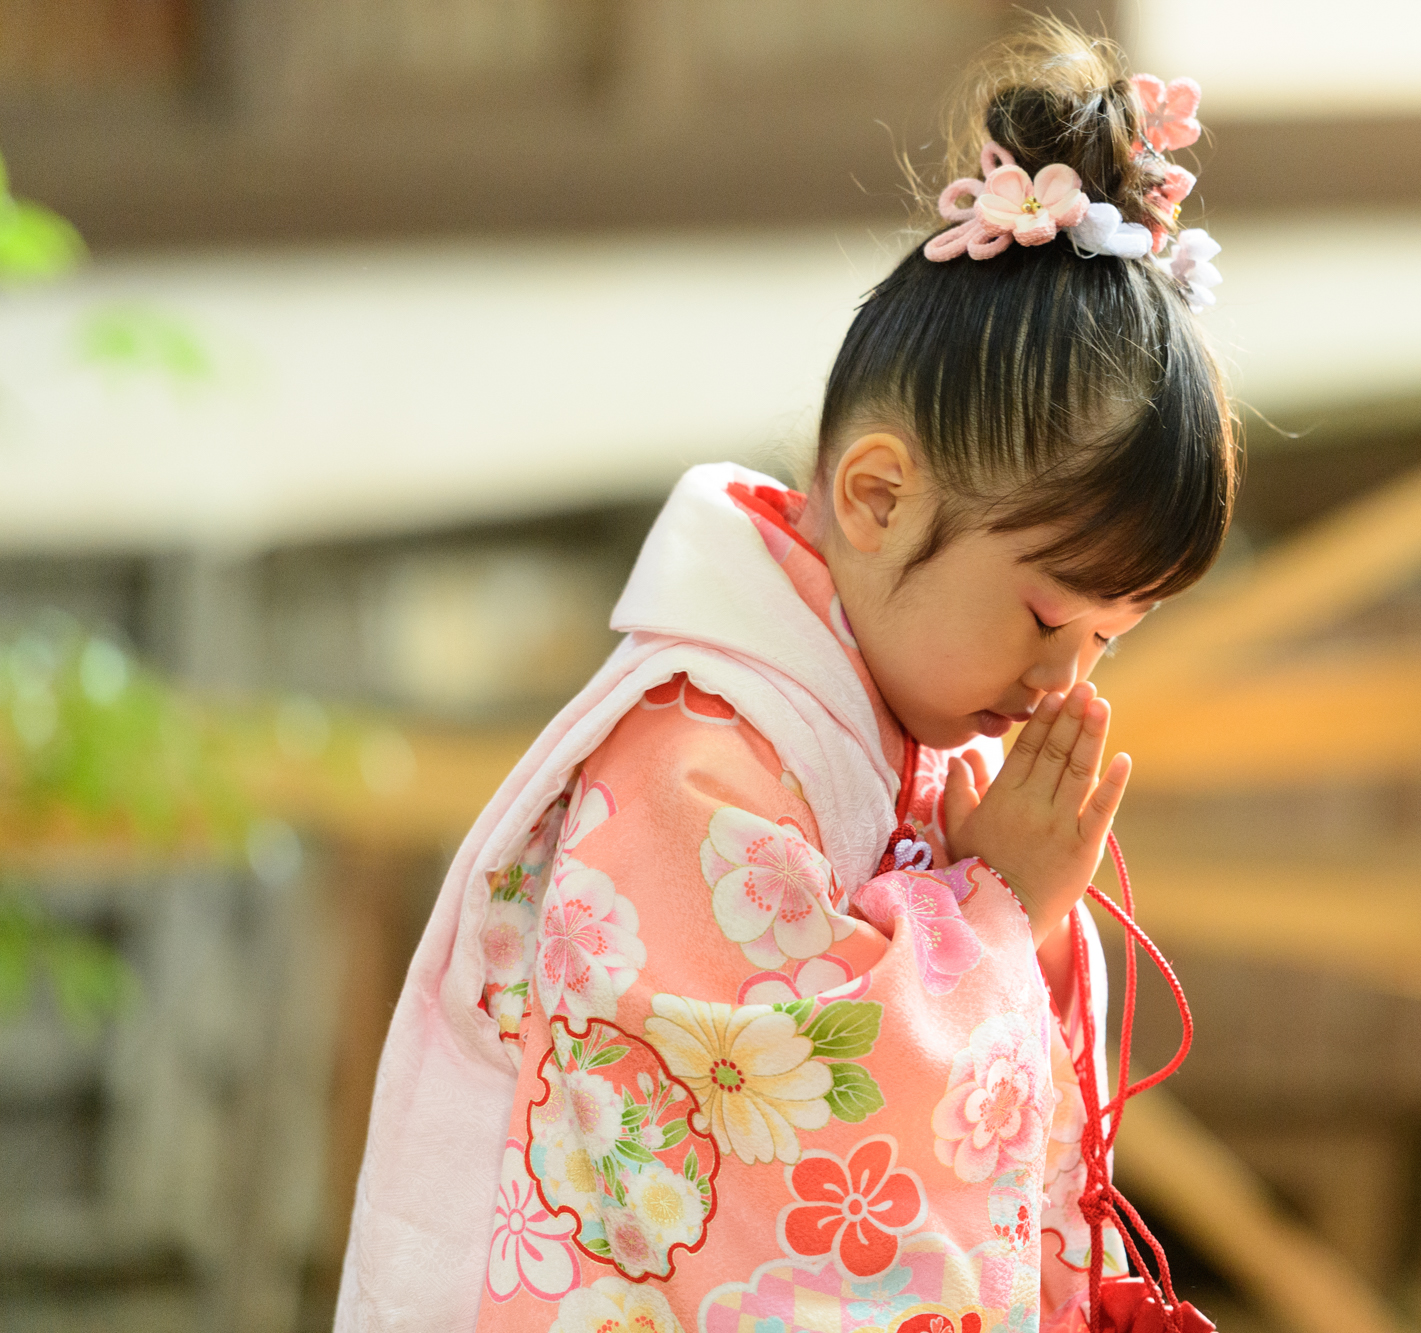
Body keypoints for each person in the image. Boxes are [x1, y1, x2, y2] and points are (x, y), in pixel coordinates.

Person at [335, 19, 1233, 1333]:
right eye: (1046, 614)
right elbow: (775, 1097)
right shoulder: (697, 750)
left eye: (1107, 639)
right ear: (875, 495)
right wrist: (988, 908)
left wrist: (992, 910)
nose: (1063, 678)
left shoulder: (925, 728)